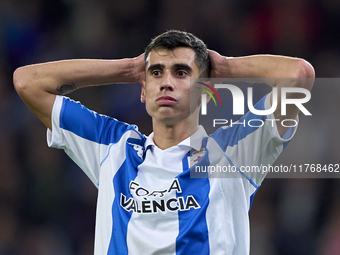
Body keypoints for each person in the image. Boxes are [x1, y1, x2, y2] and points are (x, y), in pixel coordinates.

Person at [13, 30, 315, 254]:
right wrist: (128, 69)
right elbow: (28, 81)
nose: (166, 81)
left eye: (181, 72)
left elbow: (298, 74)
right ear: (143, 91)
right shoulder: (112, 146)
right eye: (156, 72)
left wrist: (223, 67)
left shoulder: (233, 151)